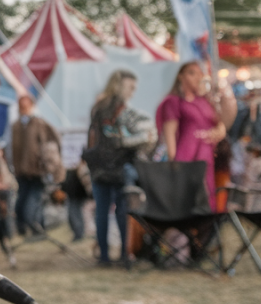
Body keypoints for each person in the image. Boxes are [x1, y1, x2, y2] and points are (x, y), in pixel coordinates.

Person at [85, 70, 155, 266]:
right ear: (119, 85)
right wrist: (144, 138)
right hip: (119, 167)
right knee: (123, 210)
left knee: (102, 211)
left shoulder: (98, 107)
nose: (132, 92)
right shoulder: (120, 110)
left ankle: (104, 256)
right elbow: (125, 139)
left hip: (98, 168)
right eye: (130, 87)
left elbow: (96, 138)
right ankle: (125, 254)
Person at [156, 62, 234, 211]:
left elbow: (221, 121)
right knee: (188, 201)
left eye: (199, 73)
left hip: (206, 156)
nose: (197, 77)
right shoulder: (174, 101)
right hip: (186, 156)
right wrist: (173, 161)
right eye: (192, 73)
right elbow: (169, 133)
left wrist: (220, 130)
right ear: (181, 76)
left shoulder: (204, 101)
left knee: (206, 198)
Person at [9, 95, 63, 239]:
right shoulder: (15, 126)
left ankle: (37, 231)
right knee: (21, 204)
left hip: (37, 172)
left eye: (26, 106)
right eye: (21, 106)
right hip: (21, 172)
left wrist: (50, 165)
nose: (23, 109)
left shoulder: (40, 124)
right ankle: (26, 230)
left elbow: (53, 143)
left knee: (32, 204)